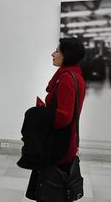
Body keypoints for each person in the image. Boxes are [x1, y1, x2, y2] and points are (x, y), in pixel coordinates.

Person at [26, 37, 86, 201]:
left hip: (59, 144)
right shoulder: (76, 76)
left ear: (68, 54)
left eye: (57, 51)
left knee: (50, 191)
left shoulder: (66, 77)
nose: (53, 54)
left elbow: (63, 118)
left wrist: (40, 115)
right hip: (67, 141)